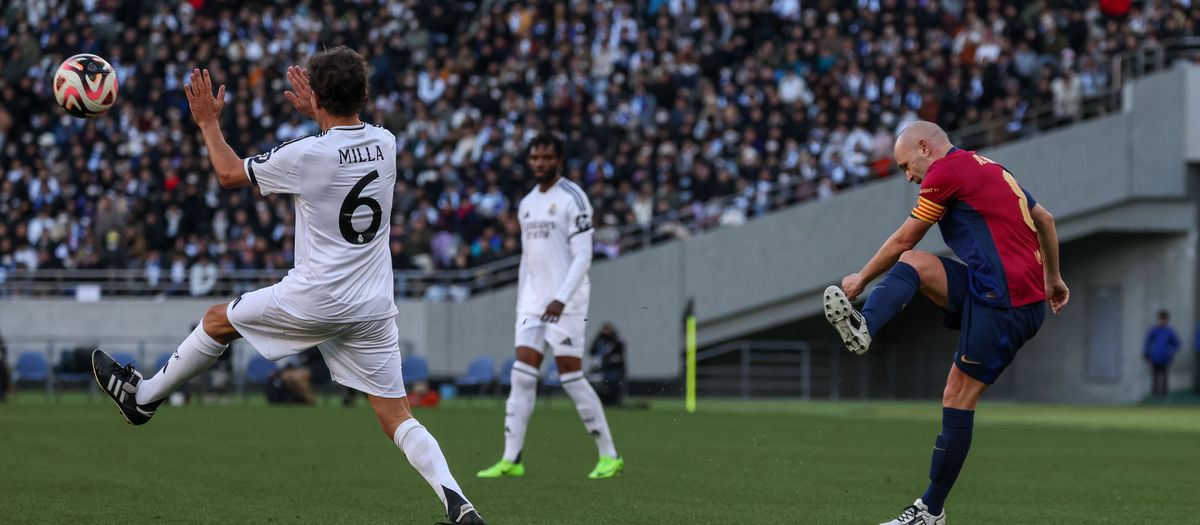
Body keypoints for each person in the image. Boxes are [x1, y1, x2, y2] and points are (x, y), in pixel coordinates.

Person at [89, 47, 484, 524]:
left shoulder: (307, 153)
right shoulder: (387, 142)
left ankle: (143, 399)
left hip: (316, 297)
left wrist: (208, 124)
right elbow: (344, 145)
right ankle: (457, 502)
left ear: (316, 96)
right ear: (364, 93)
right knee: (397, 416)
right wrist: (320, 112)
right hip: (373, 305)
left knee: (216, 320)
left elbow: (229, 172)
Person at [823, 121, 1069, 525]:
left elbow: (905, 237)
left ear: (925, 147)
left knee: (957, 394)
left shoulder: (945, 173)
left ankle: (930, 511)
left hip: (1008, 304)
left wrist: (860, 278)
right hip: (990, 287)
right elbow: (1045, 218)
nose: (908, 176)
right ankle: (864, 326)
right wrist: (1054, 278)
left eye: (906, 165)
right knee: (913, 265)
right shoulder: (988, 167)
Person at [476, 134, 624, 480]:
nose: (539, 163)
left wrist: (560, 297)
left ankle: (609, 455)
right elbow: (528, 259)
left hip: (566, 301)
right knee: (521, 375)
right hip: (532, 301)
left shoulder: (574, 197)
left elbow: (584, 255)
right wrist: (523, 301)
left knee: (571, 376)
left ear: (559, 160)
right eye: (535, 158)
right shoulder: (527, 203)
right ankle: (511, 459)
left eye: (546, 157)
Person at [588, 322, 627, 407]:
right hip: (601, 368)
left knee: (612, 382)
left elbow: (620, 349)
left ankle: (614, 401)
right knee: (596, 383)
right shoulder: (599, 340)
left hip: (615, 369)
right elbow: (591, 351)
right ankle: (601, 401)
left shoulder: (616, 340)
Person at [1143, 310, 1179, 398]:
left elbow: (1176, 344)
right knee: (1155, 377)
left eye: (1163, 319)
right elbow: (1147, 342)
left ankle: (1164, 396)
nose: (1161, 321)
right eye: (1160, 319)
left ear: (1167, 319)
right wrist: (1146, 353)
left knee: (1164, 378)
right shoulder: (1154, 331)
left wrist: (1171, 352)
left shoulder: (1170, 331)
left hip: (1165, 358)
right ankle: (1154, 396)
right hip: (1155, 357)